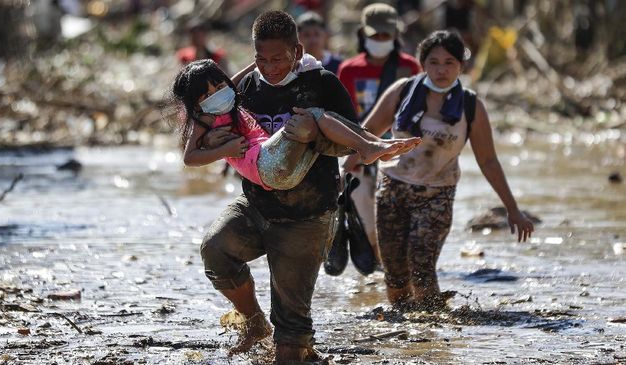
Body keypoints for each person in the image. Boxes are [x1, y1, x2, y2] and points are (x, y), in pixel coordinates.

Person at [197, 10, 386, 363]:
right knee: (216, 250)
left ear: (297, 52)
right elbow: (213, 126)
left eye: (278, 59)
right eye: (261, 59)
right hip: (256, 206)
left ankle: (297, 344)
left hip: (307, 215)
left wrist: (315, 137)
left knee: (290, 345)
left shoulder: (322, 84)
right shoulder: (246, 88)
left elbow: (350, 143)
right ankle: (254, 322)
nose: (270, 67)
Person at [343, 30, 534, 310]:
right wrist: (345, 170)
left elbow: (489, 161)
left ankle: (432, 325)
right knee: (395, 273)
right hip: (392, 190)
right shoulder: (402, 92)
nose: (441, 69)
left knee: (421, 263)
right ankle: (406, 328)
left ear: (461, 66)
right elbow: (367, 134)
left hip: (437, 195)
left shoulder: (471, 106)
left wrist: (512, 209)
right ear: (422, 64)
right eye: (433, 62)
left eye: (449, 62)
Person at [171, 59, 419, 191]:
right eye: (207, 94)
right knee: (312, 114)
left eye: (219, 86)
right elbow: (189, 158)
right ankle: (368, 147)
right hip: (265, 164)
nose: (217, 94)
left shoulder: (227, 99)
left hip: (281, 173)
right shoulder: (204, 119)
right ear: (195, 103)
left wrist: (257, 63)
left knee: (318, 134)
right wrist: (224, 152)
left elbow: (233, 81)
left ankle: (372, 145)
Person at [335, 2, 422, 266]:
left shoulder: (410, 68)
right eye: (376, 36)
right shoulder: (349, 70)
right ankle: (376, 262)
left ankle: (393, 264)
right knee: (363, 208)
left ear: (396, 35)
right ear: (363, 34)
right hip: (359, 150)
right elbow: (343, 115)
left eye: (386, 35)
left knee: (395, 214)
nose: (381, 40)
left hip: (398, 151)